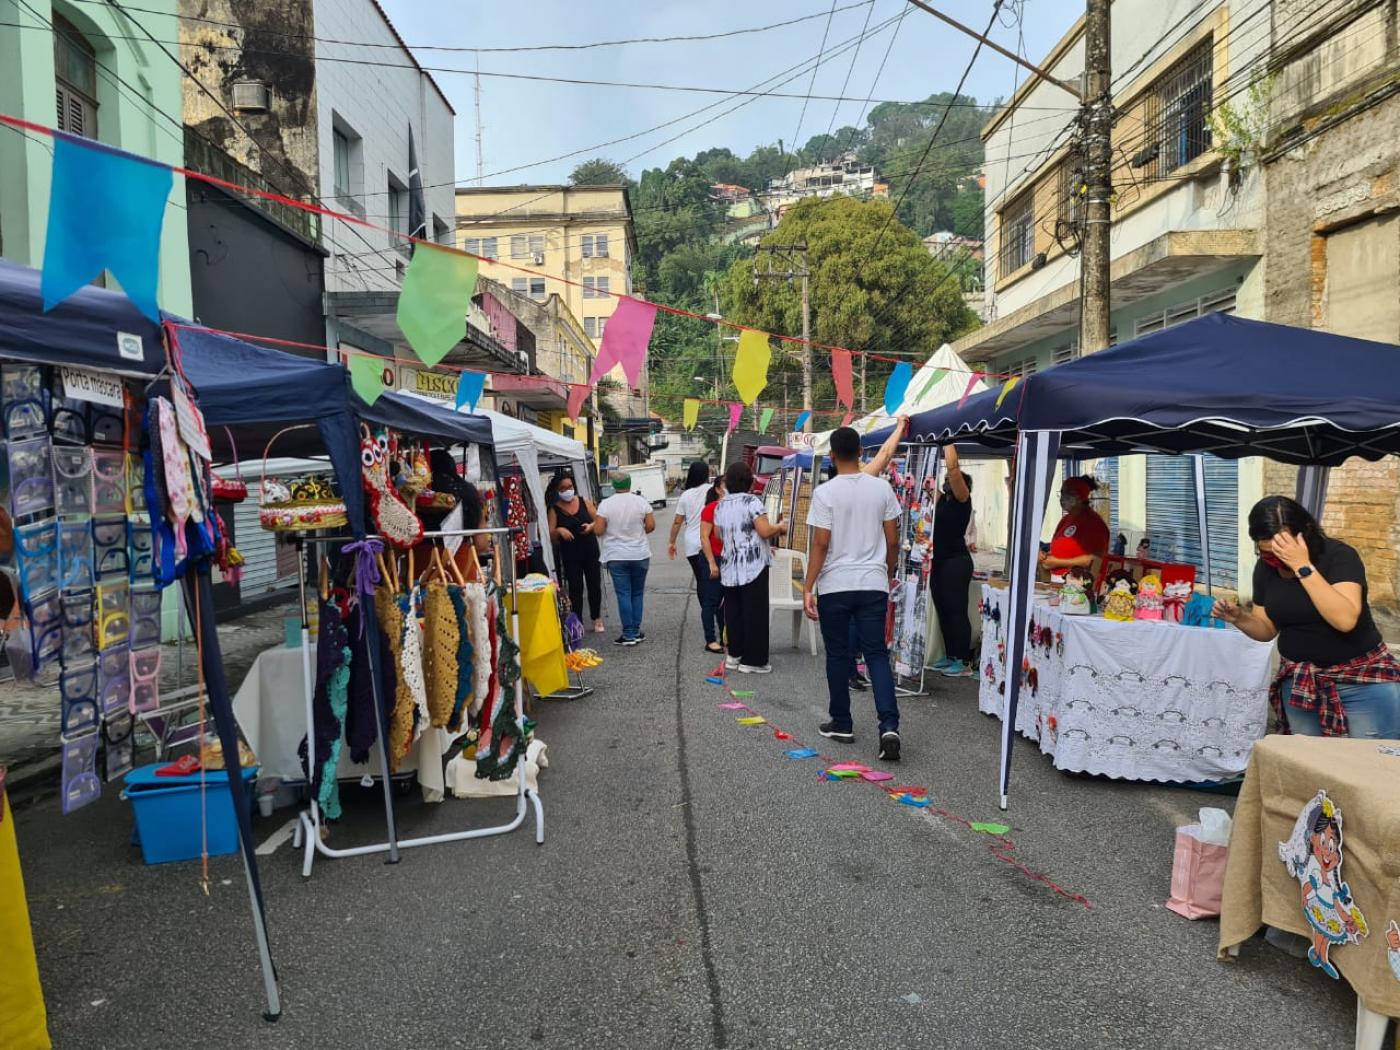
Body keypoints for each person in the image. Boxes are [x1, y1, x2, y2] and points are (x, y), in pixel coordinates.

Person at [1214, 496, 1400, 738]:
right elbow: (1267, 629)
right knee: (1310, 766)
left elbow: (1344, 620)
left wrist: (1302, 566)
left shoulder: (1338, 556)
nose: (1277, 562)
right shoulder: (1265, 570)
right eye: (1268, 554)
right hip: (1302, 684)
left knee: (1371, 765)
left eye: (1283, 553)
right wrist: (1240, 618)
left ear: (1306, 535)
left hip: (1361, 682)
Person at [802, 426, 903, 761]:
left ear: (832, 455)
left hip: (836, 585)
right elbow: (892, 541)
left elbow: (821, 543)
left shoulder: (825, 493)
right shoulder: (882, 488)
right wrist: (886, 573)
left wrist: (808, 586)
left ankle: (842, 722)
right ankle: (889, 725)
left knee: (838, 654)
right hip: (872, 583)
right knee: (876, 655)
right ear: (861, 452)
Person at [708, 462, 786, 673]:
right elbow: (764, 530)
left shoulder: (720, 505)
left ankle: (735, 654)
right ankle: (753, 661)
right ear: (749, 481)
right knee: (755, 612)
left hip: (729, 565)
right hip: (753, 565)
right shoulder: (752, 501)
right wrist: (779, 527)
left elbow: (717, 535)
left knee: (734, 612)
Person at [593, 473, 655, 646]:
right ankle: (636, 631)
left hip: (616, 555)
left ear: (613, 485)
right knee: (637, 593)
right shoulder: (641, 502)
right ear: (630, 483)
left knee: (623, 594)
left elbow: (598, 530)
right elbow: (650, 525)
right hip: (640, 554)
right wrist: (637, 534)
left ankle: (628, 634)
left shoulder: (606, 504)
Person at [929, 445, 975, 677]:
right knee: (944, 610)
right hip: (938, 561)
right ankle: (950, 655)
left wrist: (947, 442)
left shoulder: (963, 499)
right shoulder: (943, 501)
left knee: (956, 611)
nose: (947, 480)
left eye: (950, 479)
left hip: (956, 562)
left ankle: (963, 660)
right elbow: (929, 486)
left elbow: (954, 469)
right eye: (945, 480)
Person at [670, 460, 725, 654]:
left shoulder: (686, 495)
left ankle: (708, 614)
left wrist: (672, 542)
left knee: (705, 583)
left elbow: (678, 521)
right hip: (710, 541)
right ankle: (711, 618)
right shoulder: (714, 489)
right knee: (712, 586)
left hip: (693, 545)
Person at [547, 474, 605, 634]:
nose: (567, 490)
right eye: (563, 489)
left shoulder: (584, 502)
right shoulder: (554, 509)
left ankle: (596, 617)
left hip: (590, 548)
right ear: (557, 491)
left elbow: (600, 521)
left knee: (594, 583)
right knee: (575, 587)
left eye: (570, 486)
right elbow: (550, 536)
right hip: (570, 552)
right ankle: (577, 620)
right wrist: (559, 530)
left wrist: (591, 526)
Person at [1040, 475, 1109, 582]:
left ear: (1079, 497)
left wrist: (1058, 562)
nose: (1063, 498)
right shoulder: (1066, 519)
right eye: (1062, 493)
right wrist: (1046, 555)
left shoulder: (1093, 523)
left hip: (1078, 583)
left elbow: (1095, 559)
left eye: (1067, 494)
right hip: (1058, 580)